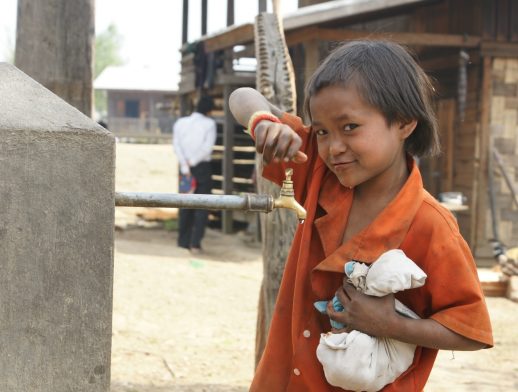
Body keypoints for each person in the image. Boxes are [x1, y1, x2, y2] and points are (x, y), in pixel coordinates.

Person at [229, 40, 492, 391]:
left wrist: (390, 324)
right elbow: (242, 97)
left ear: (404, 121)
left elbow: (471, 331)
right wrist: (262, 123)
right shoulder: (317, 171)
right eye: (321, 131)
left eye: (350, 127)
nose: (333, 146)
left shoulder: (431, 225)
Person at [172, 95, 217, 254]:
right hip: (202, 167)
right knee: (202, 205)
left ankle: (182, 242)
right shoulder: (209, 124)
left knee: (185, 203)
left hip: (184, 170)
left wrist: (185, 164)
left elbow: (176, 145)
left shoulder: (180, 123)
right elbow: (207, 148)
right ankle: (195, 243)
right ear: (210, 110)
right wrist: (192, 162)